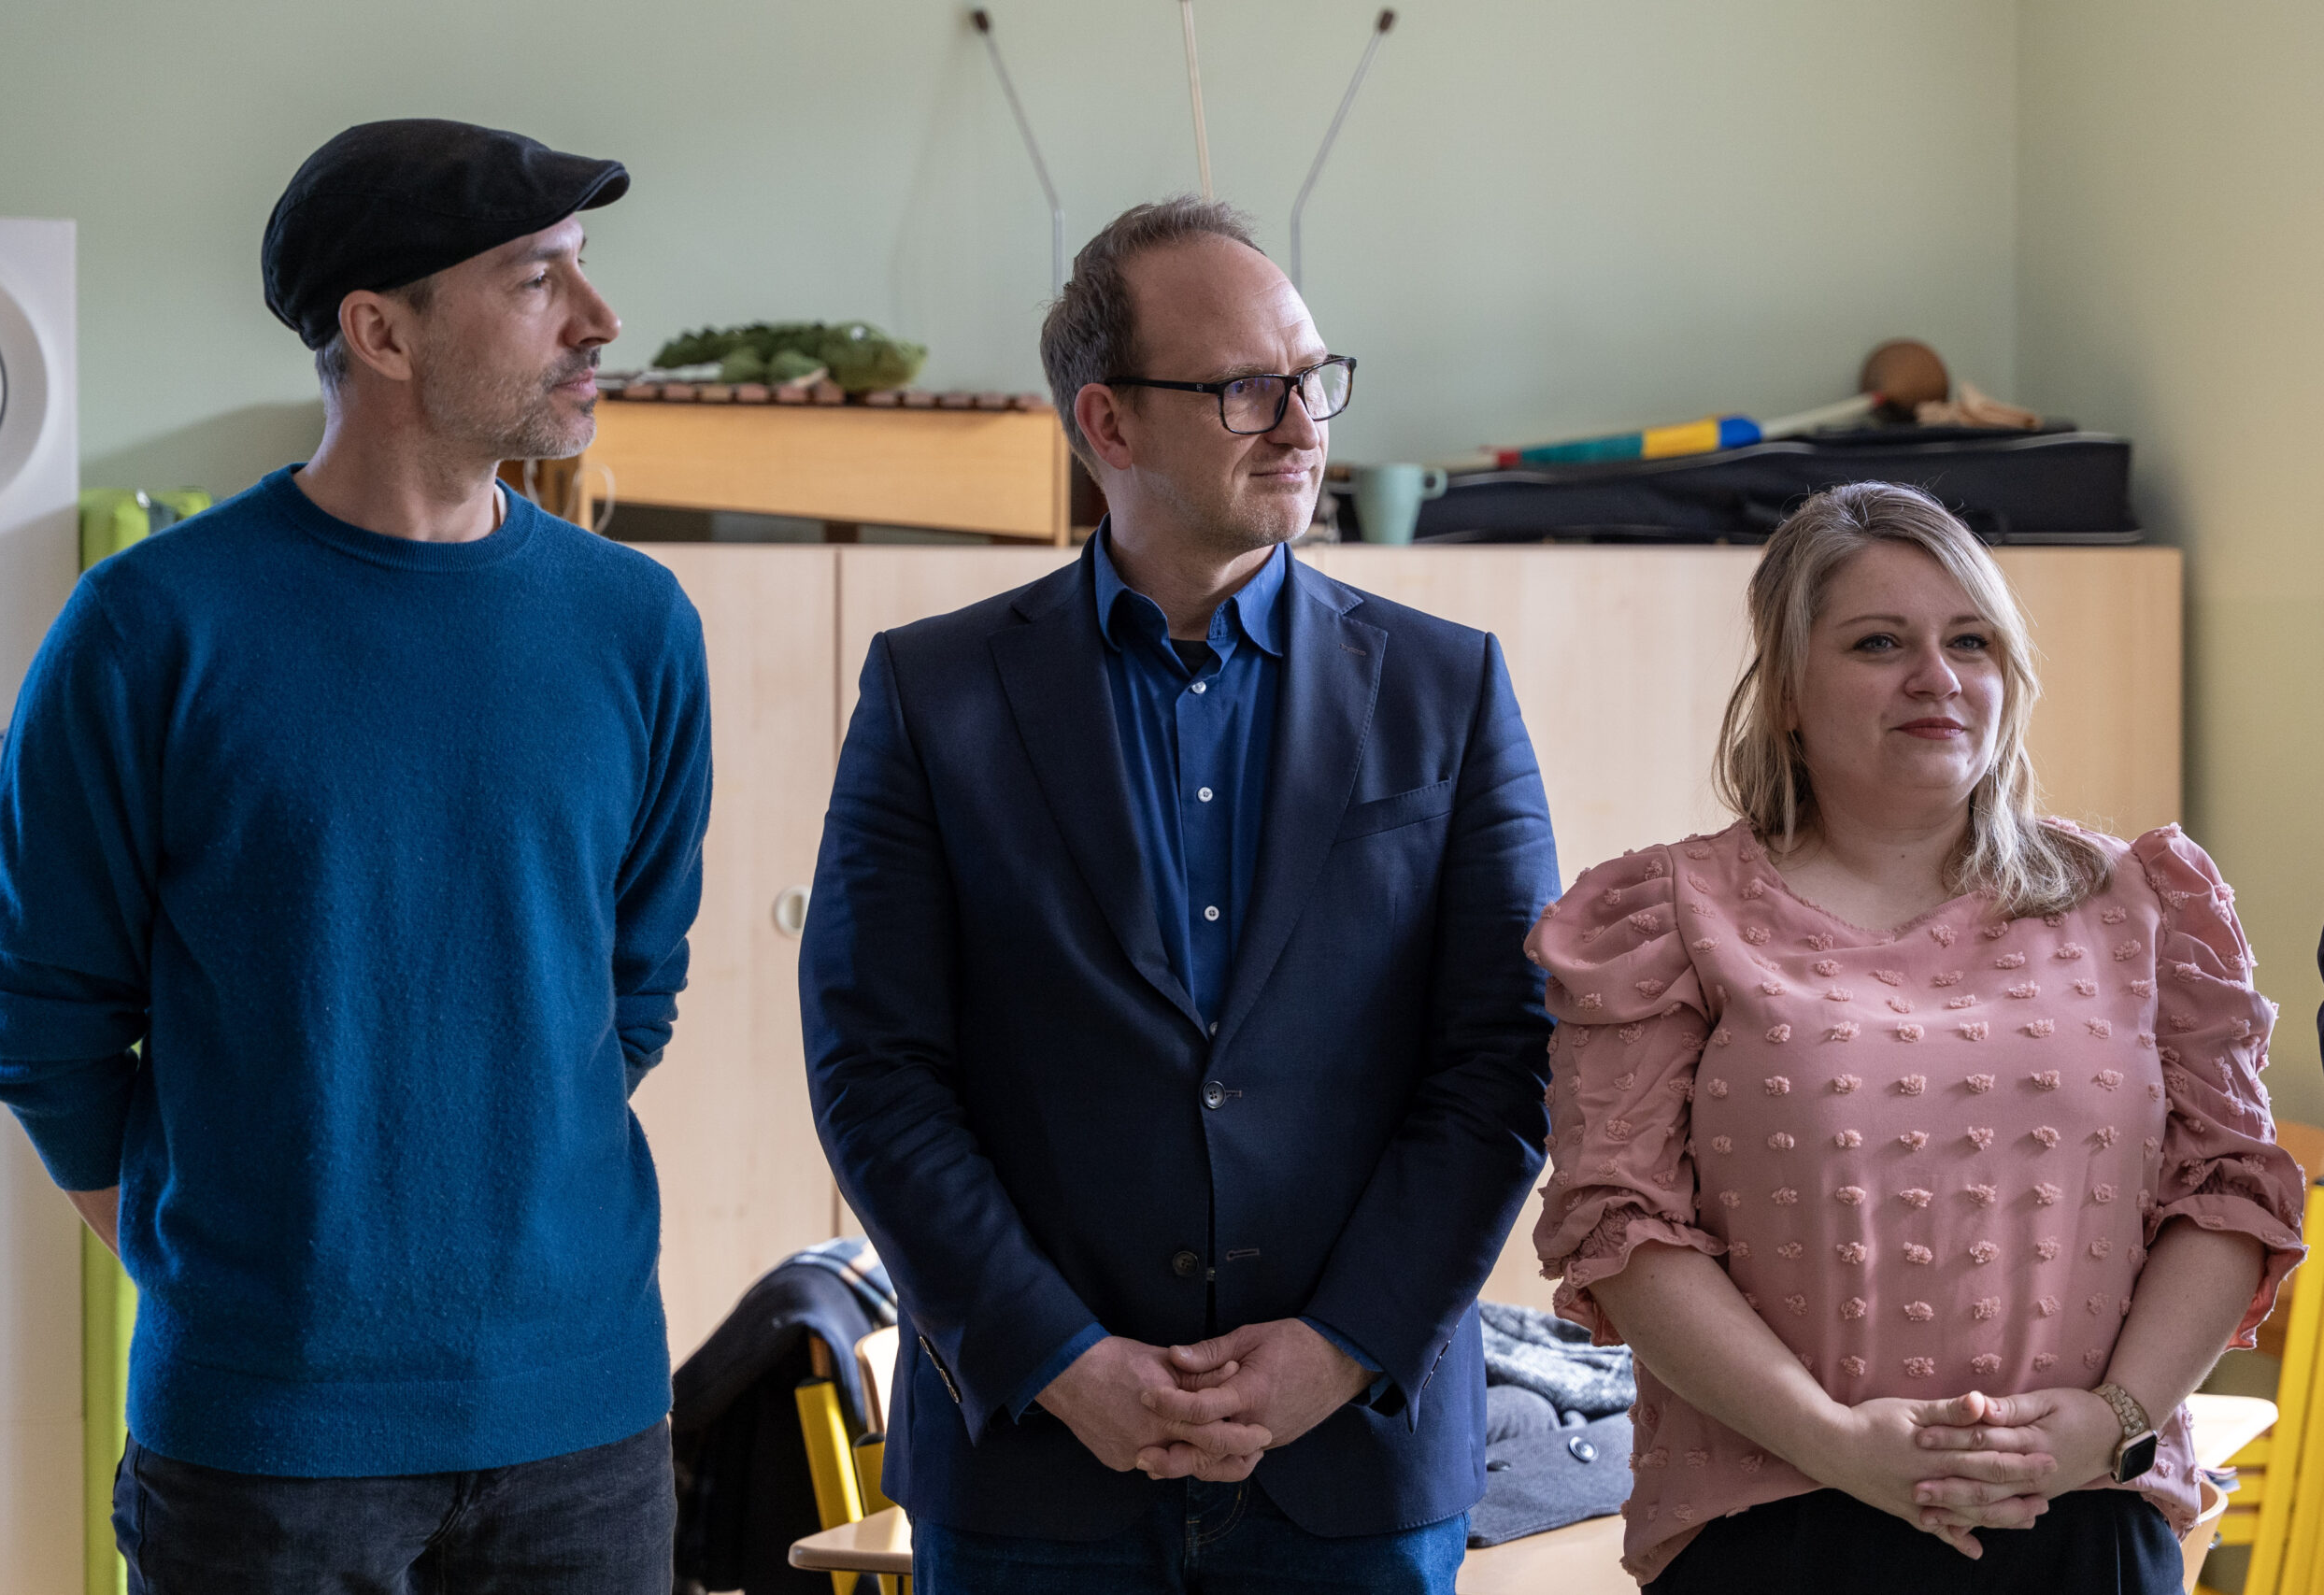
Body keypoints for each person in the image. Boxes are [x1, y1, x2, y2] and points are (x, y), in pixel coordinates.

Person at [0, 120, 709, 1593]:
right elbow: (50, 1032)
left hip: (587, 1431)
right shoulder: (150, 629)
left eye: (583, 268)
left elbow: (632, 989)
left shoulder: (637, 626)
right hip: (262, 1448)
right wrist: (237, 1285)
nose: (599, 318)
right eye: (538, 279)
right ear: (380, 331)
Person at [800, 197, 1561, 1591]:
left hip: (1354, 1460)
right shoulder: (933, 692)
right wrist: (1059, 1357)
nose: (1302, 425)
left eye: (1313, 377)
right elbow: (875, 1071)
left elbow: (1507, 1057)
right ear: (1108, 421)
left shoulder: (1446, 688)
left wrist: (1340, 1345)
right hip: (1036, 1464)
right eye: (1245, 389)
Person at [1527, 481, 2306, 1592]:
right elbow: (1621, 1225)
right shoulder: (1668, 917)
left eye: (1970, 641)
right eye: (1878, 642)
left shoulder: (2145, 903)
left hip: (2084, 1515)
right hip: (1777, 1529)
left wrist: (2111, 1421)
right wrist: (1832, 1443)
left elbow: (2225, 1193)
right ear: (1785, 691)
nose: (1936, 677)